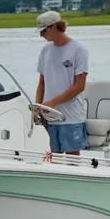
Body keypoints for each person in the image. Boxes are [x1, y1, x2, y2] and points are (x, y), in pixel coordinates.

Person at [34, 11, 89, 155]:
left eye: (43, 31)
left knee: (72, 161)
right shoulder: (45, 51)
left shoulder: (79, 50)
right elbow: (42, 84)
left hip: (71, 117)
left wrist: (53, 102)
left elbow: (79, 86)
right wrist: (37, 108)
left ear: (53, 27)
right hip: (50, 117)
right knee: (54, 160)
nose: (41, 35)